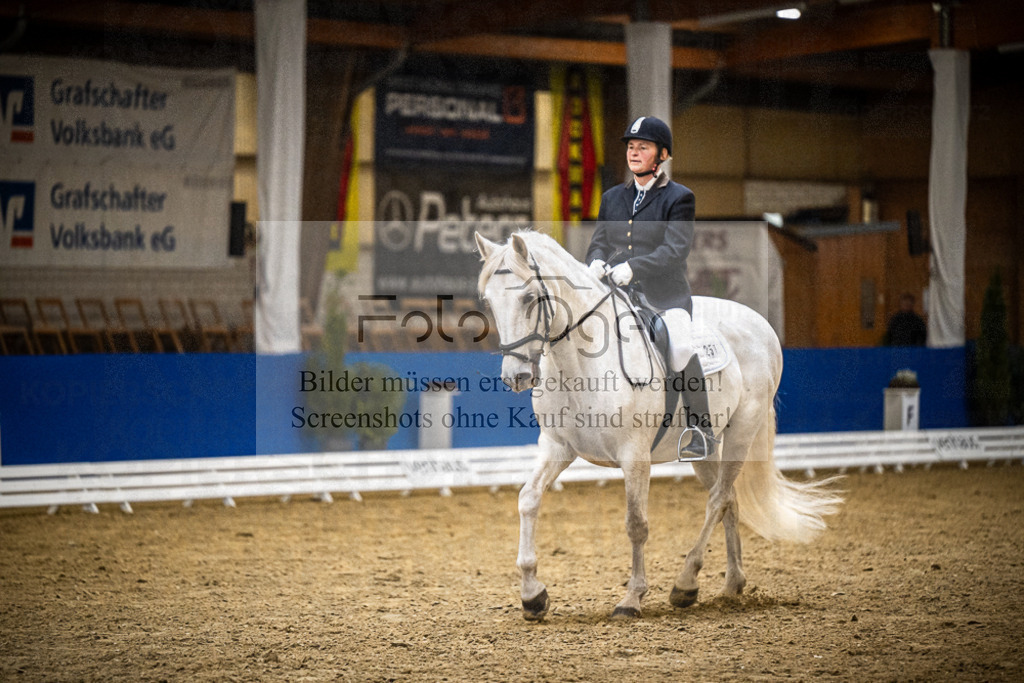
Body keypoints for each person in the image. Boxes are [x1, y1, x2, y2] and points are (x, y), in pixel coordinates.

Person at [585, 115, 715, 458]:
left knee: (681, 347)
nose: (634, 152)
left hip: (664, 295)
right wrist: (595, 261)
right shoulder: (613, 197)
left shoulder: (679, 198)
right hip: (617, 292)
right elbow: (599, 242)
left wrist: (633, 267)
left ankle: (702, 430)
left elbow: (675, 250)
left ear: (662, 155)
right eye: (631, 146)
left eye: (643, 147)